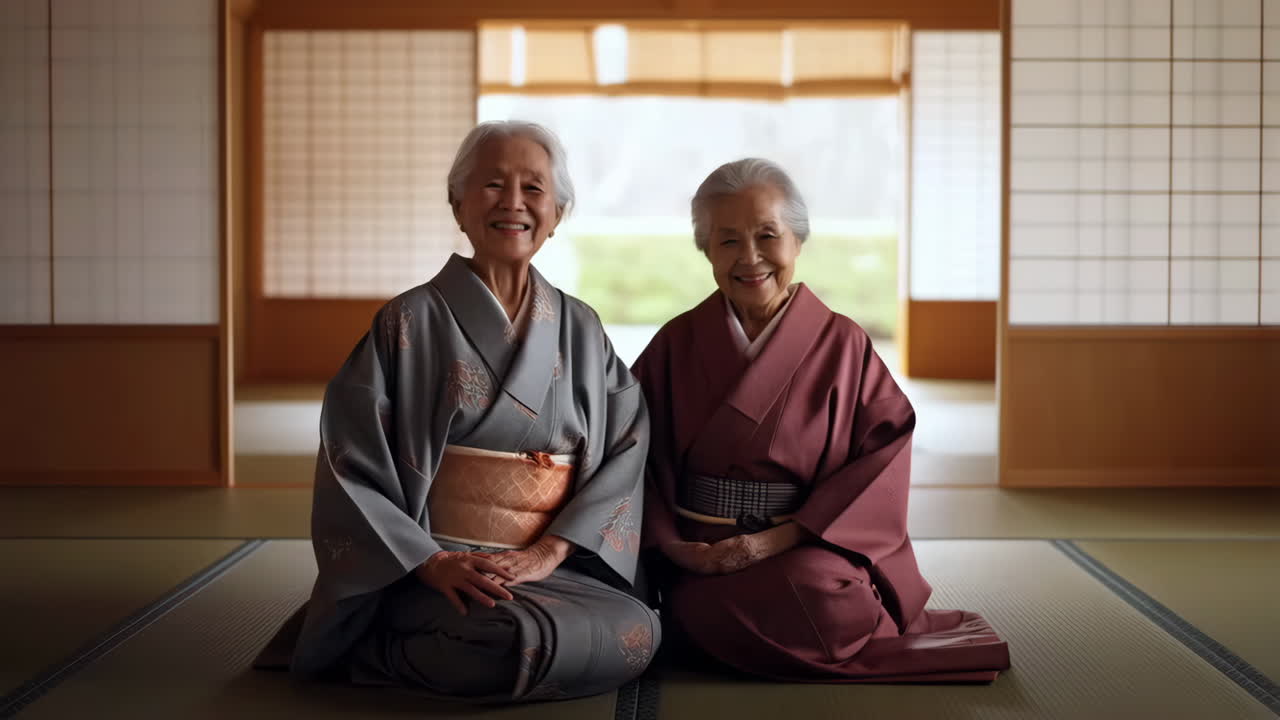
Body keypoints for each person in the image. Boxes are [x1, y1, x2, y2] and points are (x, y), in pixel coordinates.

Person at [255, 121, 659, 702]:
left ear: (559, 212)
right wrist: (432, 562)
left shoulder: (582, 328)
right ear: (458, 203)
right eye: (493, 185)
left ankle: (404, 647)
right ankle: (380, 637)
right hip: (437, 570)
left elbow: (626, 444)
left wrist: (548, 553)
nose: (513, 203)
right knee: (504, 641)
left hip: (547, 568)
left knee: (639, 632)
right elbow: (352, 459)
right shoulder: (408, 323)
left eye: (534, 188)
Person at [631, 158, 1009, 683]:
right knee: (692, 604)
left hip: (800, 546)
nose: (751, 258)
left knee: (831, 602)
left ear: (797, 241)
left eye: (767, 236)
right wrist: (676, 549)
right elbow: (630, 453)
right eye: (728, 242)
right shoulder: (676, 343)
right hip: (700, 553)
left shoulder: (842, 344)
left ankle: (720, 637)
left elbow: (884, 455)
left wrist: (768, 542)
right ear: (706, 250)